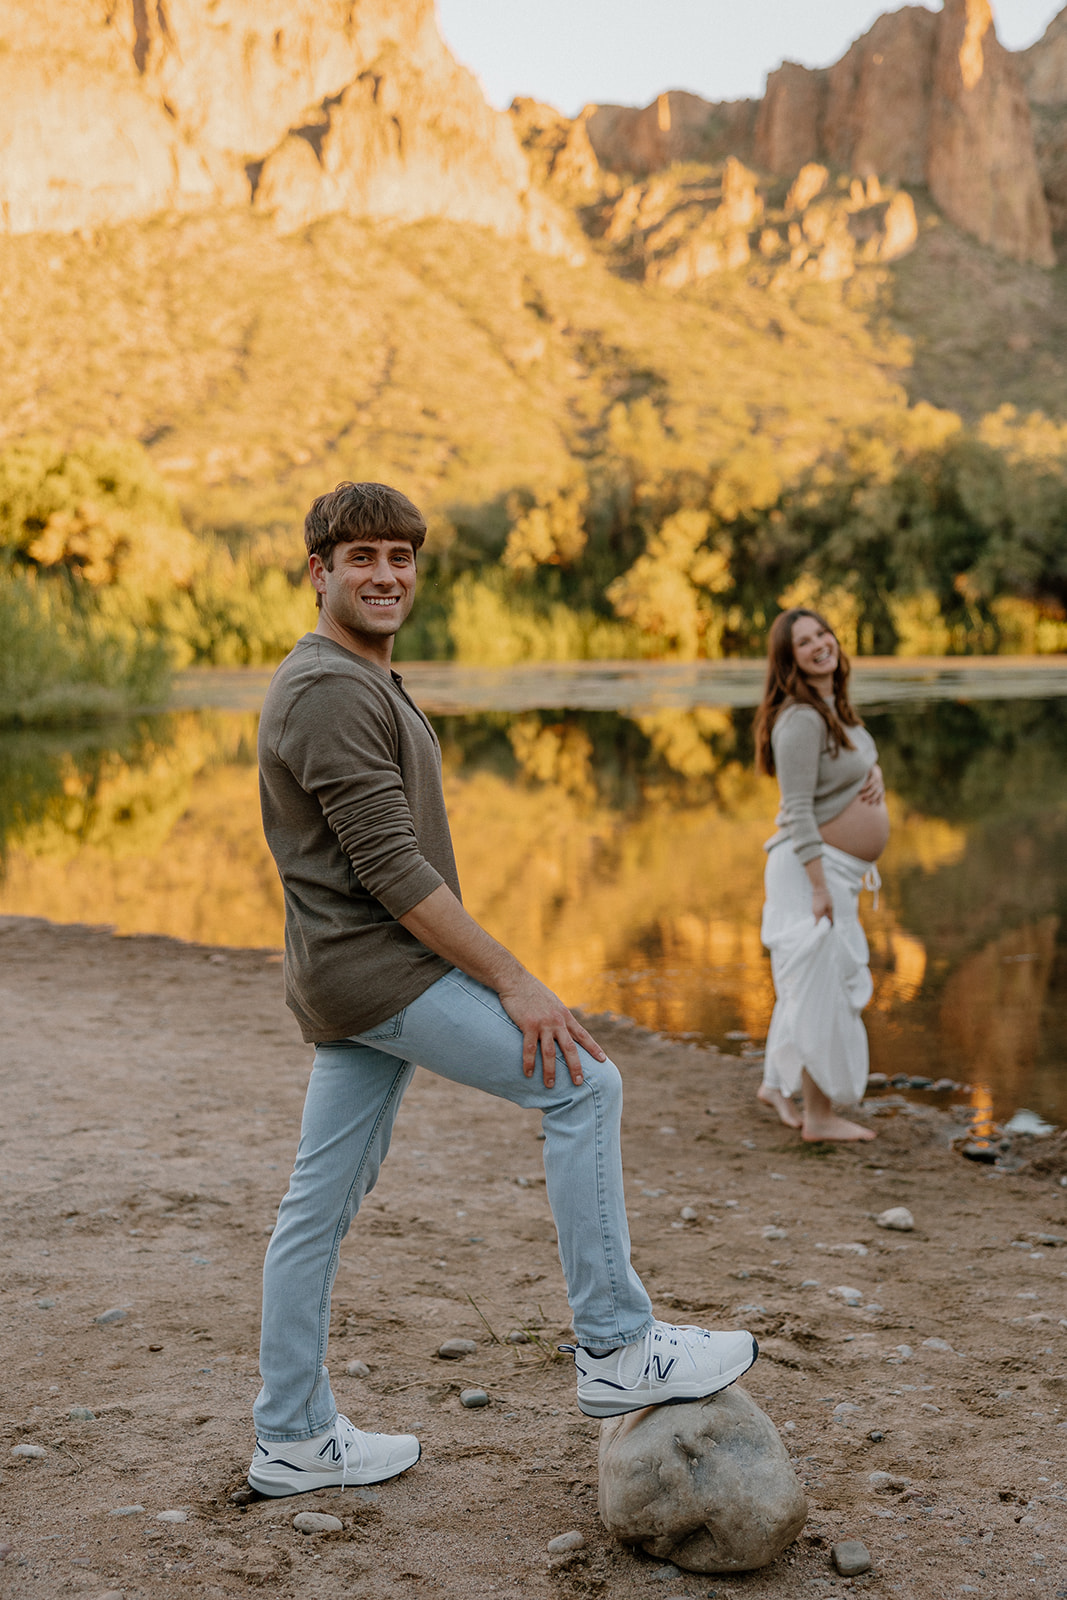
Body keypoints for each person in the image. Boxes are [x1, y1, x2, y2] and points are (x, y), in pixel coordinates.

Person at [248, 480, 757, 1498]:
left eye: (400, 556)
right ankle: (615, 1345)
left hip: (351, 978)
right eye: (360, 558)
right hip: (380, 972)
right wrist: (518, 982)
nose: (384, 574)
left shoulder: (354, 676)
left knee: (318, 1206)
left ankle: (292, 1435)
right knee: (582, 1083)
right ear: (318, 572)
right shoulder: (329, 690)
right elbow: (392, 871)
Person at [752, 608, 888, 1142]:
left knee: (806, 982)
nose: (818, 645)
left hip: (834, 871)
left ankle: (774, 1085)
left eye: (821, 634)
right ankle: (819, 1118)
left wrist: (872, 770)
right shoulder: (801, 719)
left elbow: (853, 762)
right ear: (789, 660)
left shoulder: (831, 707)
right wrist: (817, 888)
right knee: (821, 989)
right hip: (809, 872)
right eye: (803, 642)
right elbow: (799, 811)